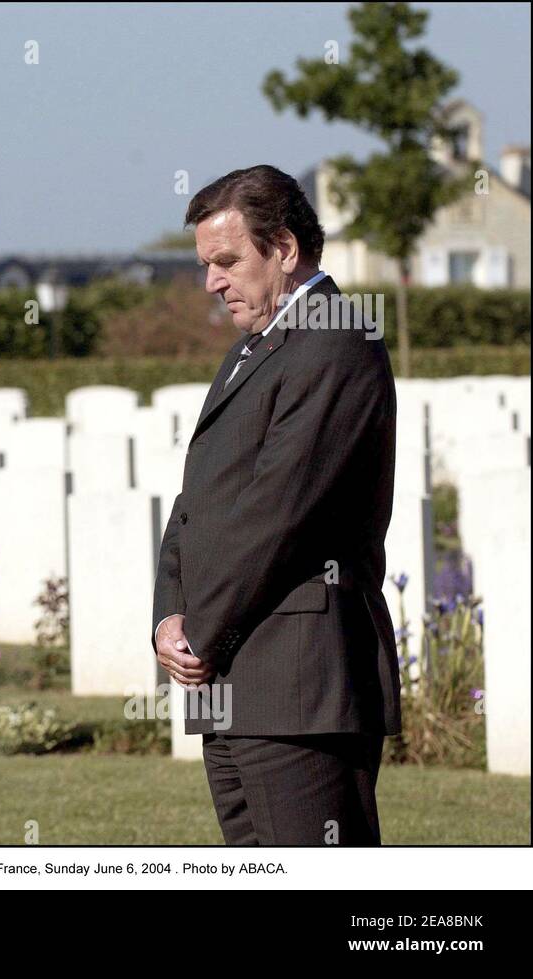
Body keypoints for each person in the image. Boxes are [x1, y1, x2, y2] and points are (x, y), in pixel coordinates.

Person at [152, 164, 401, 846]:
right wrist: (167, 616)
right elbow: (196, 500)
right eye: (206, 264)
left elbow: (277, 513)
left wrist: (198, 628)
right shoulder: (249, 352)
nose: (212, 282)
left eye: (227, 260)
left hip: (300, 682)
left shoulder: (336, 342)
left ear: (285, 248)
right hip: (235, 680)